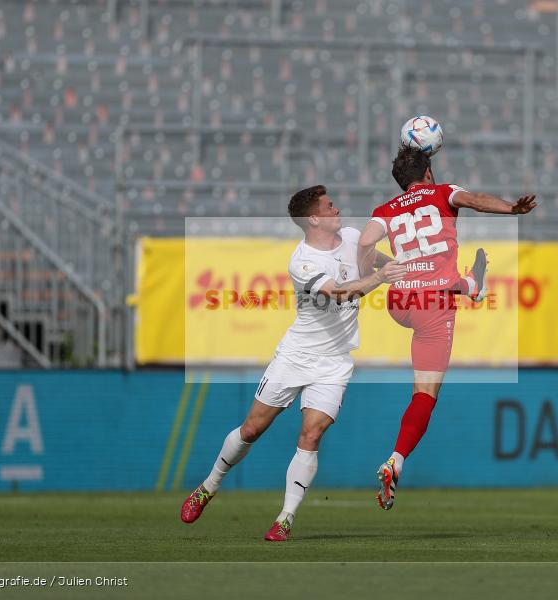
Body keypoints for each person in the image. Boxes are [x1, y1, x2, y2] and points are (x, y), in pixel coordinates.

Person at [180, 185, 406, 540]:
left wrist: (401, 267)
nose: (336, 209)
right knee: (252, 429)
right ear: (313, 218)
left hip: (335, 362)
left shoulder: (351, 237)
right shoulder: (302, 261)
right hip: (296, 356)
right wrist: (380, 278)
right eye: (329, 206)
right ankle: (209, 486)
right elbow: (337, 293)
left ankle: (285, 518)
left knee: (312, 434)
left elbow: (376, 258)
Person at [357, 147, 537, 510]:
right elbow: (477, 200)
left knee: (428, 270)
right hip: (432, 306)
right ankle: (396, 461)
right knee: (424, 394)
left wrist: (369, 275)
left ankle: (470, 285)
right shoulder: (443, 193)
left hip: (399, 301)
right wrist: (511, 209)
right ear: (428, 172)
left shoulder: (385, 210)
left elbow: (363, 243)